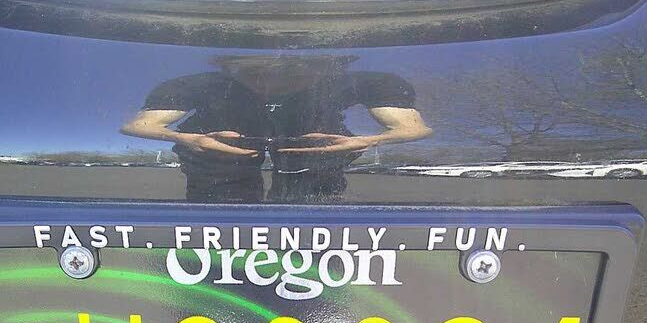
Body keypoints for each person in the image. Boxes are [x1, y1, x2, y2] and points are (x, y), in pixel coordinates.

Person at [122, 55, 432, 202]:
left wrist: (367, 141)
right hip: (215, 179)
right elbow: (138, 126)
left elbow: (414, 129)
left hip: (318, 181)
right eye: (255, 73)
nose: (272, 81)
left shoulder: (367, 82)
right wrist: (188, 139)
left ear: (328, 66)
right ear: (228, 66)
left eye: (294, 72)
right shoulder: (195, 84)